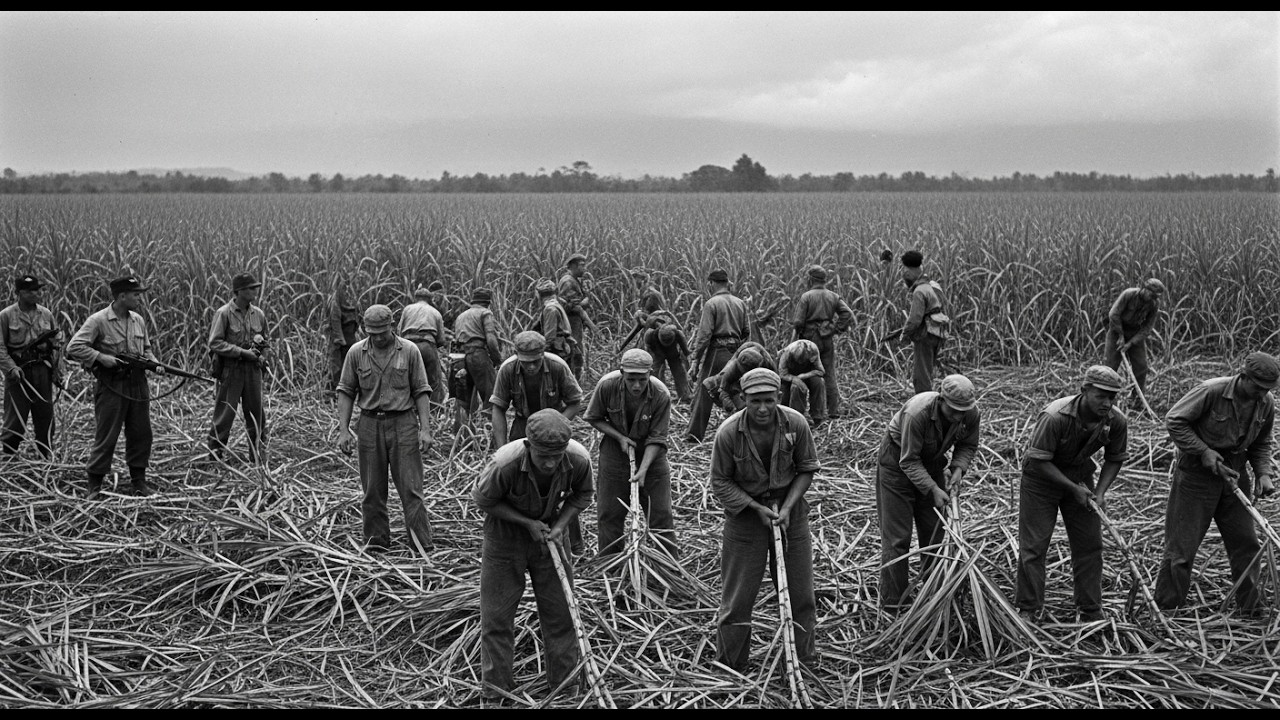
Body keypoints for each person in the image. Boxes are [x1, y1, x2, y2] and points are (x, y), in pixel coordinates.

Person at [474, 409, 593, 700]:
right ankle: (495, 691)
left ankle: (565, 689)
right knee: (497, 618)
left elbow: (583, 494)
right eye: (543, 456)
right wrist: (526, 523)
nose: (551, 463)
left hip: (550, 533)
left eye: (557, 455)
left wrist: (560, 526)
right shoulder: (506, 462)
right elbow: (483, 500)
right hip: (505, 538)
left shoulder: (578, 459)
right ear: (529, 445)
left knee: (561, 614)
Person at [710, 367, 821, 672]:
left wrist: (786, 508)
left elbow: (806, 468)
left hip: (792, 513)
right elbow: (720, 482)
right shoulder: (729, 433)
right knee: (737, 598)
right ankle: (731, 665)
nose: (762, 408)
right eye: (755, 400)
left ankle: (803, 661)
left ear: (779, 397)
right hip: (745, 517)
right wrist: (754, 508)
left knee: (801, 594)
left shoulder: (796, 424)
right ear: (743, 398)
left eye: (769, 401)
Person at [1154, 351, 1278, 613]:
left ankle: (1251, 608)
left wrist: (1263, 473)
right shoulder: (1211, 391)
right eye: (1257, 387)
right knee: (1181, 549)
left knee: (1247, 544)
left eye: (1267, 389)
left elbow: (1262, 442)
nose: (1261, 394)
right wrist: (1203, 451)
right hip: (1196, 478)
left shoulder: (1266, 402)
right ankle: (1168, 609)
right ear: (1243, 376)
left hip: (1234, 475)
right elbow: (1175, 421)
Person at [1015, 365, 1128, 623]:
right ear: (1084, 390)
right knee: (1034, 546)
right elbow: (1040, 461)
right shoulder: (1055, 416)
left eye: (1112, 397)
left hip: (1079, 477)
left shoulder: (1116, 420)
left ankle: (1090, 608)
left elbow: (1115, 458)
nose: (1107, 402)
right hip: (1041, 480)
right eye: (1101, 395)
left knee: (1090, 544)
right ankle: (1029, 608)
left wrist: (1099, 492)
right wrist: (1073, 489)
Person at [334, 304, 435, 553]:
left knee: (412, 490)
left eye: (383, 331)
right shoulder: (356, 353)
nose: (378, 337)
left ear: (393, 326)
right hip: (369, 424)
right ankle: (377, 544)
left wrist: (425, 429)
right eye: (372, 332)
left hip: (403, 423)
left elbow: (421, 390)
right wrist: (343, 429)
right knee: (372, 491)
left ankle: (421, 545)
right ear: (365, 330)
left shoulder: (409, 351)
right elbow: (346, 391)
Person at [876, 374, 980, 613]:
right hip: (897, 466)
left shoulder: (970, 413)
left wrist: (958, 469)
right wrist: (933, 488)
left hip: (932, 463)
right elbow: (909, 460)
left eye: (963, 411)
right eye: (953, 410)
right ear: (941, 399)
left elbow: (968, 445)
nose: (958, 416)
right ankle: (893, 603)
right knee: (897, 538)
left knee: (934, 533)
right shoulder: (918, 413)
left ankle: (933, 597)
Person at [65, 275, 161, 499]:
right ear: (121, 296)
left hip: (138, 385)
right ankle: (95, 486)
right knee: (107, 435)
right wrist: (101, 357)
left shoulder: (138, 320)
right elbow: (74, 347)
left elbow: (146, 349)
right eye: (136, 294)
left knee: (141, 434)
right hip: (112, 386)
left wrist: (154, 363)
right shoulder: (98, 320)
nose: (139, 298)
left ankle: (139, 483)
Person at [490, 330, 585, 554]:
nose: (530, 367)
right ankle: (520, 539)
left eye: (535, 362)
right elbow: (498, 408)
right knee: (517, 482)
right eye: (526, 362)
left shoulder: (558, 366)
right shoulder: (508, 369)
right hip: (522, 426)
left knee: (563, 486)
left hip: (554, 429)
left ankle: (574, 546)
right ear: (517, 356)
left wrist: (555, 425)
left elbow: (575, 401)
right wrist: (502, 447)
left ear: (543, 354)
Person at [584, 348, 676, 558]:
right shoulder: (607, 386)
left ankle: (667, 563)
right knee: (609, 514)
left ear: (650, 374)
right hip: (615, 453)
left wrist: (643, 470)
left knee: (660, 514)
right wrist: (619, 437)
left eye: (642, 380)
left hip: (652, 456)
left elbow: (657, 438)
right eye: (631, 379)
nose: (636, 385)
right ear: (621, 372)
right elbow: (593, 417)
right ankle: (610, 564)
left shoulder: (661, 394)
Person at [206, 272, 268, 463]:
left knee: (256, 415)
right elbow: (215, 343)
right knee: (225, 414)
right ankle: (215, 455)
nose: (254, 291)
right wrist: (242, 353)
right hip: (231, 370)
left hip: (252, 372)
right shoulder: (223, 313)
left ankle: (257, 457)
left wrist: (262, 357)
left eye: (255, 288)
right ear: (239, 291)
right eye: (250, 288)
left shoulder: (258, 314)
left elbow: (266, 342)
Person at [684, 269, 750, 442]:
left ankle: (694, 435)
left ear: (711, 283)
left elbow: (704, 335)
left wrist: (695, 361)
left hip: (717, 351)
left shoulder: (712, 303)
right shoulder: (740, 303)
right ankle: (744, 426)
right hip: (736, 352)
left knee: (704, 389)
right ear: (727, 283)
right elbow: (746, 332)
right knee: (734, 387)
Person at [0, 274, 61, 460]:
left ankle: (45, 454)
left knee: (45, 415)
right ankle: (9, 455)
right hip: (19, 372)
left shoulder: (46, 314)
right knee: (15, 418)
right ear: (18, 293)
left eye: (37, 290)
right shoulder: (6, 316)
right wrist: (11, 368)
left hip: (42, 369)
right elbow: (0, 347)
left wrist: (57, 371)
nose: (36, 293)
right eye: (30, 291)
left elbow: (56, 344)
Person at [792, 264, 853, 419]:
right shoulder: (832, 296)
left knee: (805, 374)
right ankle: (833, 411)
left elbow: (798, 322)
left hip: (809, 340)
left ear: (811, 279)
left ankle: (811, 413)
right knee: (829, 373)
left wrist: (795, 337)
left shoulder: (807, 297)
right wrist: (835, 329)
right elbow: (847, 314)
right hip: (827, 339)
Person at [450, 287, 503, 435]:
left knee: (463, 399)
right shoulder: (485, 313)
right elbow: (491, 341)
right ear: (488, 302)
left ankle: (462, 434)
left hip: (459, 357)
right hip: (477, 355)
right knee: (491, 395)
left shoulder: (461, 315)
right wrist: (497, 360)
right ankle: (488, 433)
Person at [1104, 278, 1166, 398]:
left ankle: (1136, 398)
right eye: (1152, 295)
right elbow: (1113, 314)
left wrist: (1131, 343)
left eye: (1156, 297)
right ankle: (1106, 397)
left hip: (1134, 334)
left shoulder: (1153, 304)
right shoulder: (1129, 294)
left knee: (1141, 367)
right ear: (1144, 289)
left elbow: (1147, 328)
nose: (1153, 299)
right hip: (1116, 331)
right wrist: (1121, 336)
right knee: (1110, 367)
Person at [898, 250, 949, 395]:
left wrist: (905, 334)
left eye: (904, 269)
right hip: (937, 332)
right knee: (927, 370)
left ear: (909, 269)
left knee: (921, 376)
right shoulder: (932, 286)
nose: (904, 274)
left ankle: (925, 404)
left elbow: (915, 319)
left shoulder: (919, 291)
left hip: (925, 335)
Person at [701, 341, 778, 419]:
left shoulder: (768, 364)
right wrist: (730, 406)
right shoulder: (733, 366)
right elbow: (723, 389)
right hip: (734, 380)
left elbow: (775, 386)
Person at [400, 285, 447, 407]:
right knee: (434, 381)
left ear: (416, 298)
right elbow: (441, 339)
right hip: (427, 344)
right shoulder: (435, 312)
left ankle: (407, 408)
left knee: (406, 379)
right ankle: (434, 409)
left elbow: (399, 331)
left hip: (408, 345)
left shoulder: (407, 309)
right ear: (429, 299)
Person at [557, 253, 594, 381]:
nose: (584, 269)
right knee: (574, 352)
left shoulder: (574, 280)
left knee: (576, 352)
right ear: (573, 266)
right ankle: (572, 382)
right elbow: (572, 306)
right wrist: (585, 301)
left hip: (575, 323)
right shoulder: (568, 281)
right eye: (582, 266)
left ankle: (574, 381)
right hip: (571, 323)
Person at [777, 338, 826, 427]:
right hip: (789, 376)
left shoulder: (813, 349)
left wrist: (802, 376)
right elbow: (782, 374)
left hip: (807, 374)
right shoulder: (787, 353)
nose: (800, 362)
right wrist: (795, 379)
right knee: (795, 388)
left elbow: (821, 371)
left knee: (819, 382)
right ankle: (796, 418)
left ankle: (817, 416)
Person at [644, 314, 692, 403]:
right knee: (655, 374)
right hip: (657, 353)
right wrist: (652, 359)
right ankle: (657, 395)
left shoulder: (678, 334)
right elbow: (648, 349)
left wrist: (689, 359)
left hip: (672, 354)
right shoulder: (650, 334)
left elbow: (685, 350)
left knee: (679, 373)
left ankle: (685, 396)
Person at [327, 278, 361, 394]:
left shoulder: (351, 301)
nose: (347, 291)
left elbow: (358, 316)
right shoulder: (335, 301)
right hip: (341, 339)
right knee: (337, 365)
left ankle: (350, 388)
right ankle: (336, 389)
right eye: (344, 289)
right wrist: (339, 338)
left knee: (351, 364)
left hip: (350, 337)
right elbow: (335, 320)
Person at [536, 278, 574, 362]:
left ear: (539, 295)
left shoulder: (550, 309)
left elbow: (550, 338)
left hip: (558, 351)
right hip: (563, 348)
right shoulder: (555, 304)